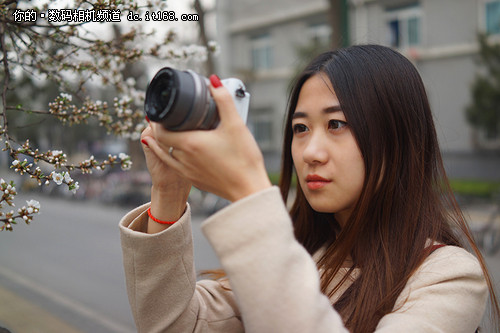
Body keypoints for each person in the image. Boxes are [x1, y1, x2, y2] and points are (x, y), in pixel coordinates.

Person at [119, 45, 499, 332]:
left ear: (397, 137)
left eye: (336, 124)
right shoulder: (302, 253)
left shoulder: (447, 276)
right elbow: (174, 325)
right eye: (300, 129)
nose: (310, 153)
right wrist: (168, 192)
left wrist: (250, 193)